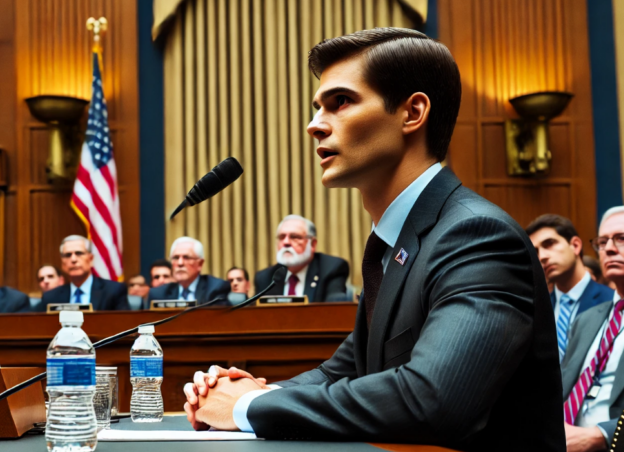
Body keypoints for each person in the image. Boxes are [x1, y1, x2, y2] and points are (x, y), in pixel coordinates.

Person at [182, 28, 564, 451]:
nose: (314, 126)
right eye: (317, 107)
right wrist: (247, 392)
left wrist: (246, 407)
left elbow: (432, 400)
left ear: (412, 112)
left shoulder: (475, 236)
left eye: (340, 102)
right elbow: (343, 373)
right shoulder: (397, 242)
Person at [560, 206, 624, 452]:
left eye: (623, 238)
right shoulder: (587, 320)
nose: (609, 249)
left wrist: (602, 435)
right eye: (602, 242)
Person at [526, 214, 613, 361]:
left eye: (549, 243)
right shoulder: (536, 309)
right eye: (536, 251)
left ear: (575, 246)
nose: (542, 256)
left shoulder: (611, 300)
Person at [255, 215, 349, 301]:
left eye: (295, 237)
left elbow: (334, 311)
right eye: (281, 237)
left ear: (312, 244)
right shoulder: (266, 278)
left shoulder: (331, 269)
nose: (286, 242)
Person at [37, 235, 129, 311]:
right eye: (68, 255)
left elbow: (124, 327)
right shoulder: (50, 297)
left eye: (79, 253)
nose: (73, 259)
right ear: (62, 263)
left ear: (91, 259)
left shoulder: (113, 291)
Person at [148, 237, 230, 306]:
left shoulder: (215, 289)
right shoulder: (158, 294)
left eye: (186, 257)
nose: (180, 263)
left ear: (200, 264)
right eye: (176, 258)